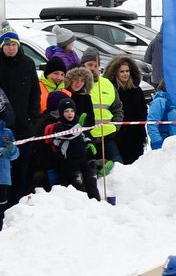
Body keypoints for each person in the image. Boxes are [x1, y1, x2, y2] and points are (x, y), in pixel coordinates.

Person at [38, 68, 100, 200]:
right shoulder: (55, 124)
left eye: (72, 111)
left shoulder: (80, 108)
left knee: (91, 182)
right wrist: (80, 126)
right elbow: (68, 134)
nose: (70, 114)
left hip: (82, 157)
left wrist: (89, 143)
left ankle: (97, 204)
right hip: (65, 162)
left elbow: (83, 134)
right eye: (66, 111)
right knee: (76, 187)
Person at [106, 55, 150, 167]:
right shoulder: (112, 90)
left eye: (127, 71)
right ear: (115, 73)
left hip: (136, 134)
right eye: (122, 71)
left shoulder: (136, 89)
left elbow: (143, 110)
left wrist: (141, 128)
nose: (125, 74)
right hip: (119, 135)